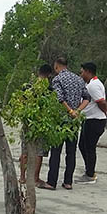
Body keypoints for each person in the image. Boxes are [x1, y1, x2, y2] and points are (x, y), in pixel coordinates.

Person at [40, 57, 89, 191]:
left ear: (56, 66)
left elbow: (59, 98)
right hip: (74, 121)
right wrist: (77, 111)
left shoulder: (57, 79)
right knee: (71, 152)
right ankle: (68, 182)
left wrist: (69, 110)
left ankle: (52, 182)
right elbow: (87, 98)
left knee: (56, 152)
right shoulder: (79, 79)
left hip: (60, 119)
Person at [76, 62, 107, 184]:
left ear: (88, 72)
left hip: (95, 119)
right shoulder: (92, 84)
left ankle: (90, 174)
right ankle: (89, 170)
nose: (81, 74)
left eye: (82, 72)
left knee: (89, 147)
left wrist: (105, 110)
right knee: (82, 145)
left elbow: (100, 101)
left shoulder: (93, 85)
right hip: (89, 118)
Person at [19, 64, 53, 186]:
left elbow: (21, 102)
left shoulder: (27, 87)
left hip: (27, 121)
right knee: (39, 151)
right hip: (41, 122)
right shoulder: (49, 89)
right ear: (49, 75)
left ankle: (22, 177)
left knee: (25, 150)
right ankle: (35, 178)